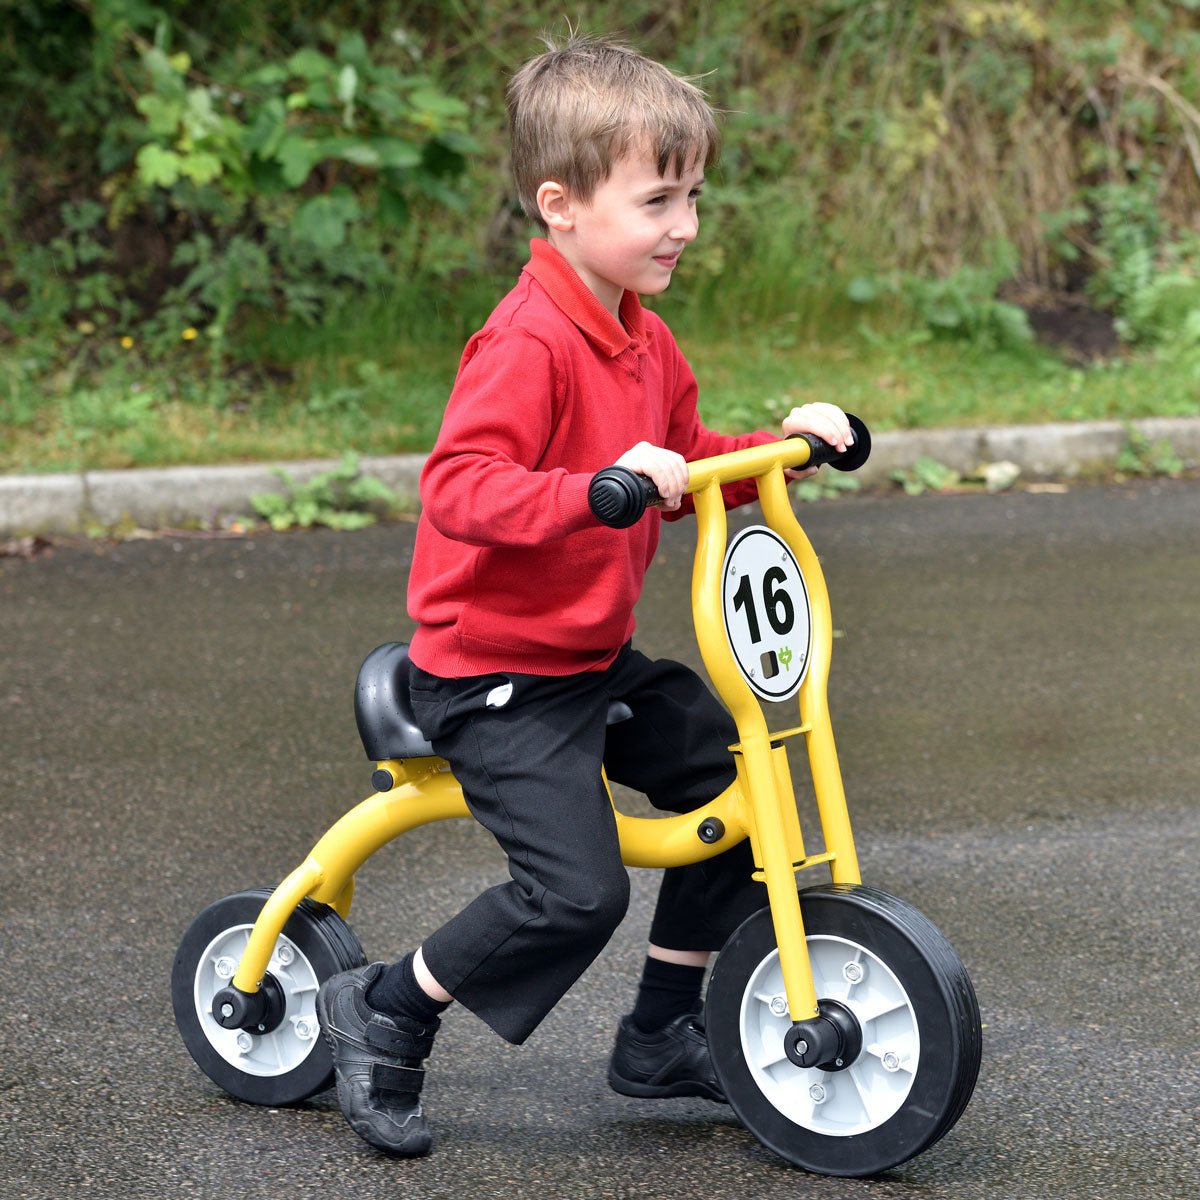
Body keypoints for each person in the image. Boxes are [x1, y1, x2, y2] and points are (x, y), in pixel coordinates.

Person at [316, 32, 854, 1158]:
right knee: (576, 892)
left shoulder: (644, 340)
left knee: (735, 784)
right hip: (491, 669)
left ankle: (660, 1033)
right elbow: (461, 487)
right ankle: (386, 1010)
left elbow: (690, 453)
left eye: (694, 195)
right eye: (658, 199)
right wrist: (592, 493)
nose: (686, 226)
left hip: (587, 658)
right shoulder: (525, 343)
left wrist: (788, 446)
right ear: (560, 204)